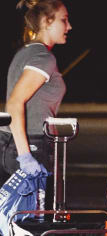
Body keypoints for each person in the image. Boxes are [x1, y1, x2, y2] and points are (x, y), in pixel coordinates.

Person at [0, 0, 72, 192]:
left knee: (11, 217)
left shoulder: (25, 52)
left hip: (9, 141)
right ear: (47, 22)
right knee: (32, 217)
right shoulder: (43, 58)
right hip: (30, 142)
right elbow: (14, 103)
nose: (69, 26)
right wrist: (25, 155)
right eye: (64, 20)